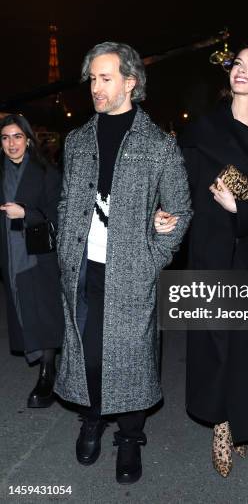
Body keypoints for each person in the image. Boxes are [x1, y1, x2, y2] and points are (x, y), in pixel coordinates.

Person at [155, 40, 248, 477]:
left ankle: (245, 420)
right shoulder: (204, 130)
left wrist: (245, 208)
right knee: (216, 339)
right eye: (236, 63)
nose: (241, 69)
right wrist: (167, 212)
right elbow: (179, 181)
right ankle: (220, 422)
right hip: (214, 246)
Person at [53, 42, 192, 484]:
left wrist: (153, 258)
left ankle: (130, 437)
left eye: (105, 77)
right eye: (92, 78)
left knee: (131, 358)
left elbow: (181, 210)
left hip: (132, 272)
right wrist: (64, 247)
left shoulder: (158, 146)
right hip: (83, 268)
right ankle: (93, 415)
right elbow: (63, 201)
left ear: (130, 82)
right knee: (87, 350)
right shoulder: (76, 142)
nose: (96, 86)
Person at [0, 114, 63, 408]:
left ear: (28, 140)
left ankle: (47, 373)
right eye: (5, 137)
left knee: (43, 314)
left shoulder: (46, 171)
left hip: (38, 255)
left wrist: (26, 213)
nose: (11, 143)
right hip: (10, 255)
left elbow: (59, 214)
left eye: (17, 137)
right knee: (23, 309)